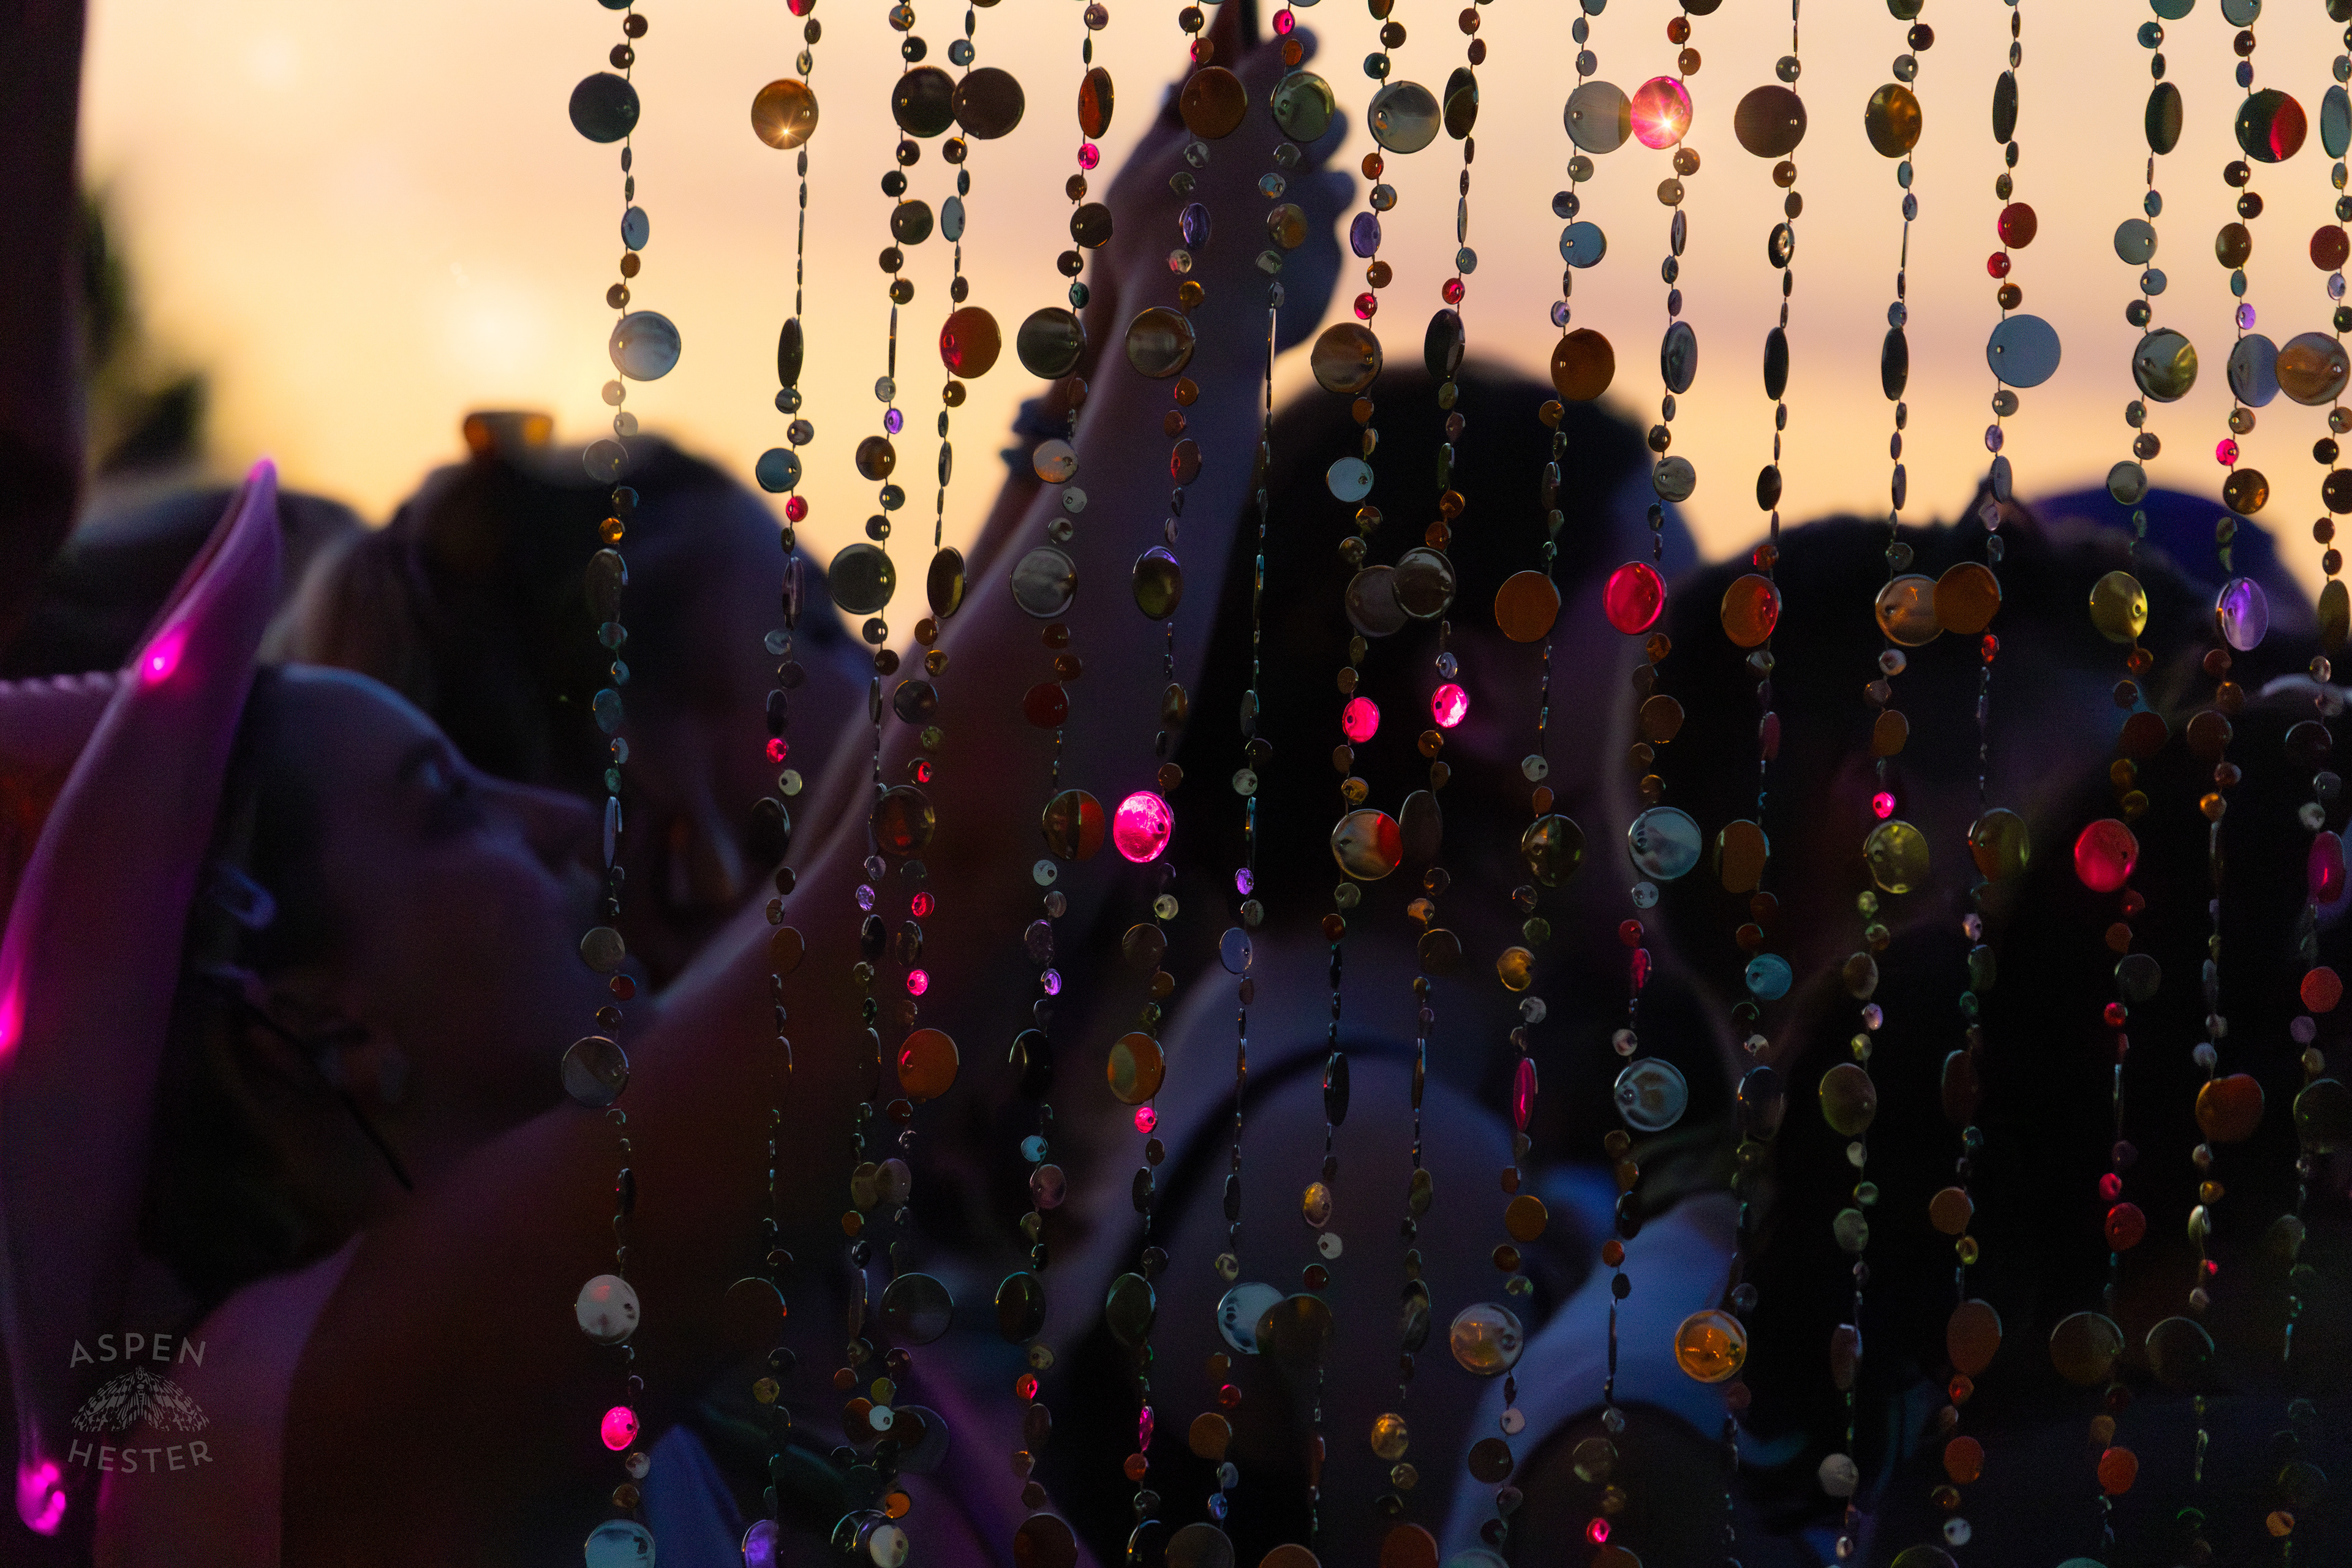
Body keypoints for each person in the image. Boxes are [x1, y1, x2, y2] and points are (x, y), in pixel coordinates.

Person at [0, 16, 1370, 1566]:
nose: (546, 820)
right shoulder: (303, 1398)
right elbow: (949, 877)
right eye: (450, 803)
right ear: (318, 1016)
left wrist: (1119, 337)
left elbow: (858, 858)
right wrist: (1192, 326)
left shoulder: (392, 1327)